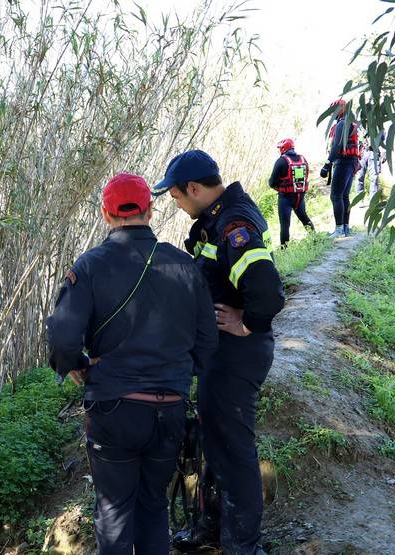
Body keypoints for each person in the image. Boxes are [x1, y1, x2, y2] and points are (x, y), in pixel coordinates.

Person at [47, 173, 218, 555]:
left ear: (107, 214)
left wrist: (77, 364)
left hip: (113, 409)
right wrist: (174, 371)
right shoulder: (183, 265)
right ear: (150, 210)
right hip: (170, 408)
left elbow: (61, 337)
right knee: (153, 504)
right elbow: (207, 343)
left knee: (114, 510)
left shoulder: (90, 265)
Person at [152, 150, 285, 555]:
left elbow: (266, 288)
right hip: (220, 354)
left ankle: (243, 546)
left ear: (194, 188)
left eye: (176, 196)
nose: (175, 204)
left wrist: (247, 322)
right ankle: (211, 528)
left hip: (237, 354)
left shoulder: (234, 224)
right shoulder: (216, 219)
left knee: (234, 451)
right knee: (217, 444)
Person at [319, 99, 361, 237]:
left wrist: (327, 164)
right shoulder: (350, 123)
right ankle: (345, 228)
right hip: (352, 162)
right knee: (344, 196)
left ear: (341, 109)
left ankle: (339, 230)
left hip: (343, 162)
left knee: (336, 195)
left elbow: (337, 146)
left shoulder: (342, 124)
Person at [268, 138, 315, 246]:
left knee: (285, 225)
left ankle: (284, 250)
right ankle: (315, 239)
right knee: (304, 218)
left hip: (285, 198)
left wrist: (278, 185)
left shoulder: (281, 161)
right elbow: (306, 176)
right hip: (300, 197)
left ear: (283, 148)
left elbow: (272, 182)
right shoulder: (303, 159)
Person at [356, 130, 384, 196]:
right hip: (362, 153)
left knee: (374, 178)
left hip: (374, 152)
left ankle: (373, 201)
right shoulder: (359, 125)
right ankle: (359, 199)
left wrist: (384, 153)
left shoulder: (378, 126)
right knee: (359, 176)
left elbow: (383, 139)